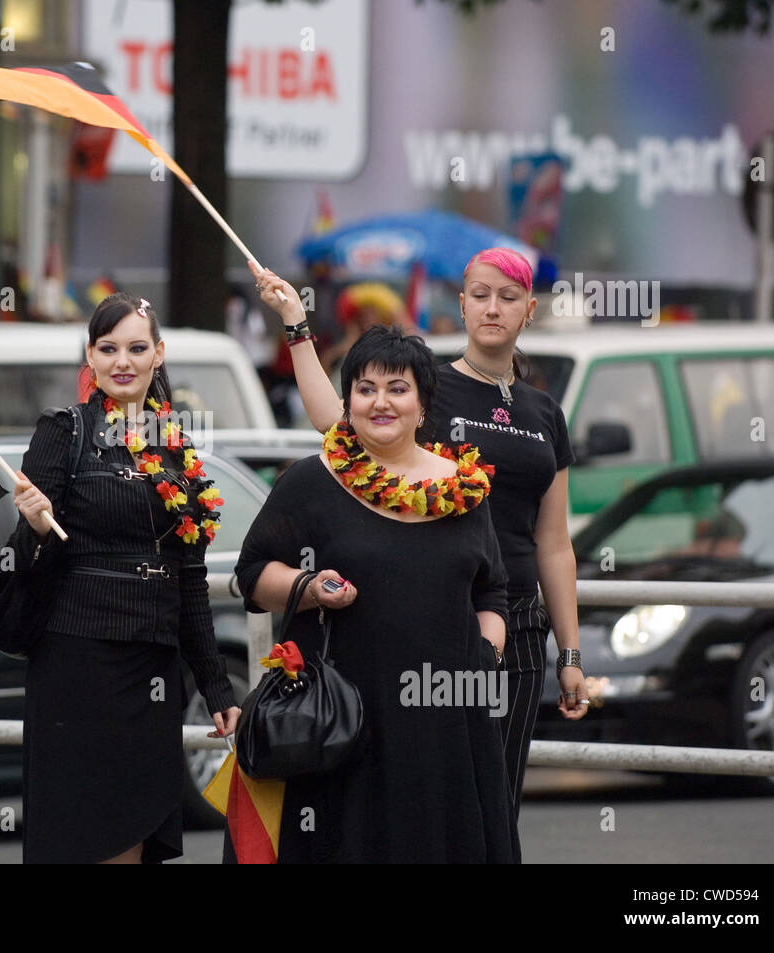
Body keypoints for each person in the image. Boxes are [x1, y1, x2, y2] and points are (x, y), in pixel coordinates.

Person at [251, 248, 589, 832]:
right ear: (459, 304)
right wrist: (297, 328)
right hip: (433, 630)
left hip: (511, 626)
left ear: (530, 310)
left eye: (507, 297)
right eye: (479, 295)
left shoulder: (544, 413)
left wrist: (572, 654)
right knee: (420, 803)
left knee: (493, 808)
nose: (492, 308)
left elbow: (554, 542)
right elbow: (339, 422)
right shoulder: (424, 388)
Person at [234, 326, 517, 863]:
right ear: (347, 403)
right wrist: (308, 587)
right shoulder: (309, 482)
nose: (380, 402)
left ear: (422, 403)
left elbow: (494, 591)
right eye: (365, 389)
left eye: (397, 388)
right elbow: (251, 575)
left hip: (448, 717)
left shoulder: (464, 486)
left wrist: (486, 655)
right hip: (347, 715)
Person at [9, 292, 241, 864]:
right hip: (76, 663)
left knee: (135, 831)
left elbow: (190, 578)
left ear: (158, 355)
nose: (123, 361)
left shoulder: (178, 450)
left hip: (151, 670)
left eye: (137, 348)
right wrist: (36, 529)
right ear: (90, 356)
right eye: (108, 348)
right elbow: (23, 563)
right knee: (82, 836)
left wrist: (214, 684)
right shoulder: (63, 431)